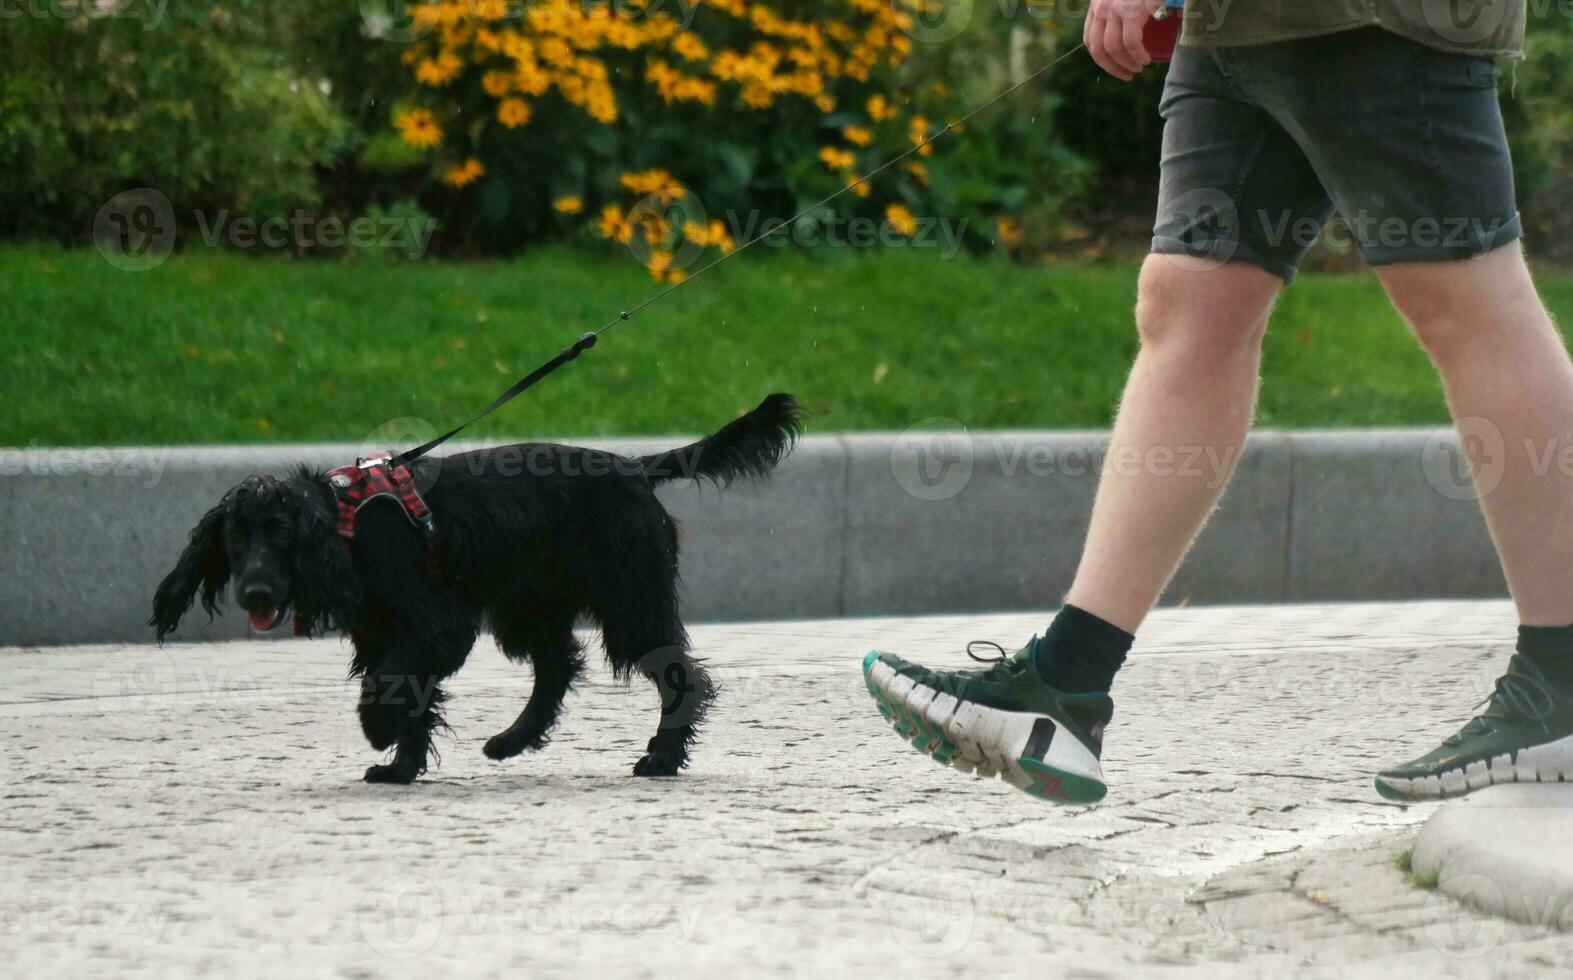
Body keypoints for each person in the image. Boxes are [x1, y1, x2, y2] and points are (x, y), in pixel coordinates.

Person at [862, 0, 1573, 804]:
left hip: (1377, 23)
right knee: (1192, 302)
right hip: (1239, 26)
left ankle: (1563, 679)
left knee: (1464, 298)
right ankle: (1065, 684)